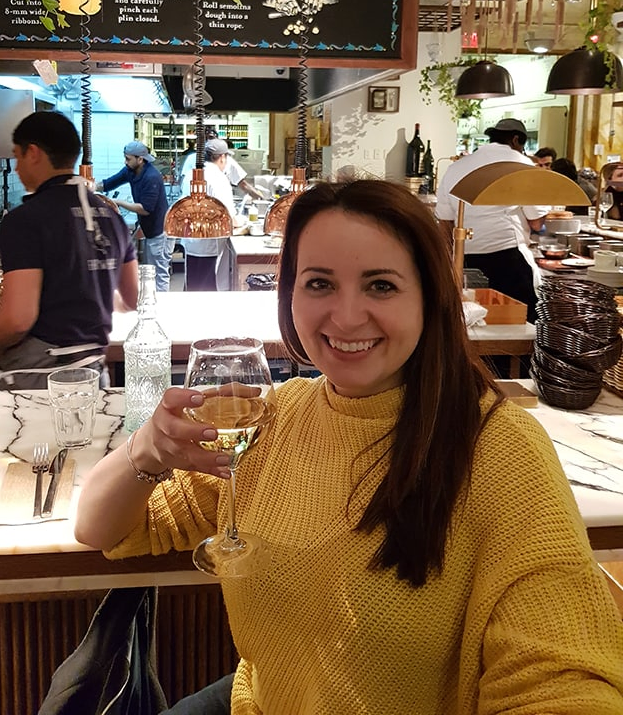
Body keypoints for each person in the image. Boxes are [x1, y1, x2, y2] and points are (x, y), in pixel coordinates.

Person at [75, 180, 623, 714]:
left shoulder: (499, 448)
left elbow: (560, 678)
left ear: (430, 298)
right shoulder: (277, 416)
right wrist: (147, 448)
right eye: (319, 284)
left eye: (381, 285)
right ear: (289, 292)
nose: (346, 316)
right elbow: (99, 527)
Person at [0, 112, 138, 389]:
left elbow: (17, 319)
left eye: (17, 157)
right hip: (93, 377)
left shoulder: (24, 219)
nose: (16, 168)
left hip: (38, 383)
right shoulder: (111, 216)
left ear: (33, 152)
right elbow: (132, 299)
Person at [436, 117, 548, 323]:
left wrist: (452, 263)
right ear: (516, 140)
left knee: (472, 323)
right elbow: (536, 222)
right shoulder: (522, 164)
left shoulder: (457, 167)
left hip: (465, 258)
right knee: (519, 323)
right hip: (508, 258)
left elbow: (445, 224)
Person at [98, 141, 175, 292]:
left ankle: (162, 304)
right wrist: (92, 186)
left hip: (161, 231)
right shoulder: (131, 171)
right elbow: (110, 182)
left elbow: (145, 209)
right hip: (150, 229)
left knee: (160, 273)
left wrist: (117, 202)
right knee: (152, 271)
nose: (125, 162)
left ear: (140, 159)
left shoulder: (151, 177)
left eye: (128, 159)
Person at [181, 138, 238, 291]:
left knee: (193, 286)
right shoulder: (219, 178)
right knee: (209, 290)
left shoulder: (190, 176)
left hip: (191, 241)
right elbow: (228, 215)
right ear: (222, 157)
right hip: (210, 244)